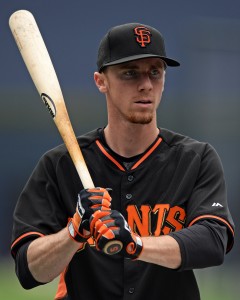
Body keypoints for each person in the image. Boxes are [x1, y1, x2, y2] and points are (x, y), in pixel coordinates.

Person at [11, 23, 235, 300]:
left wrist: (136, 244)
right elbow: (29, 270)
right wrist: (74, 232)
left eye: (155, 72)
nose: (146, 84)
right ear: (101, 81)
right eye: (130, 73)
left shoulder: (196, 159)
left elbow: (212, 242)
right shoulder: (59, 165)